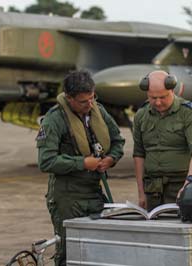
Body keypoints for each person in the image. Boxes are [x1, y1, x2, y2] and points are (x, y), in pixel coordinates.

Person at [36, 70, 125, 266]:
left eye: (92, 98)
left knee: (98, 249)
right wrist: (82, 163)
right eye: (84, 101)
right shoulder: (54, 120)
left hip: (94, 194)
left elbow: (118, 141)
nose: (89, 104)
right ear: (69, 98)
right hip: (68, 198)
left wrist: (110, 158)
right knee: (69, 252)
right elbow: (46, 161)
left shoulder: (98, 112)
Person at [133, 70, 192, 211]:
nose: (157, 102)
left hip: (181, 185)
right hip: (153, 189)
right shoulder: (141, 115)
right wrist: (141, 193)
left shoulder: (189, 113)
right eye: (152, 97)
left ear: (172, 90)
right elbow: (139, 154)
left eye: (163, 97)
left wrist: (190, 184)